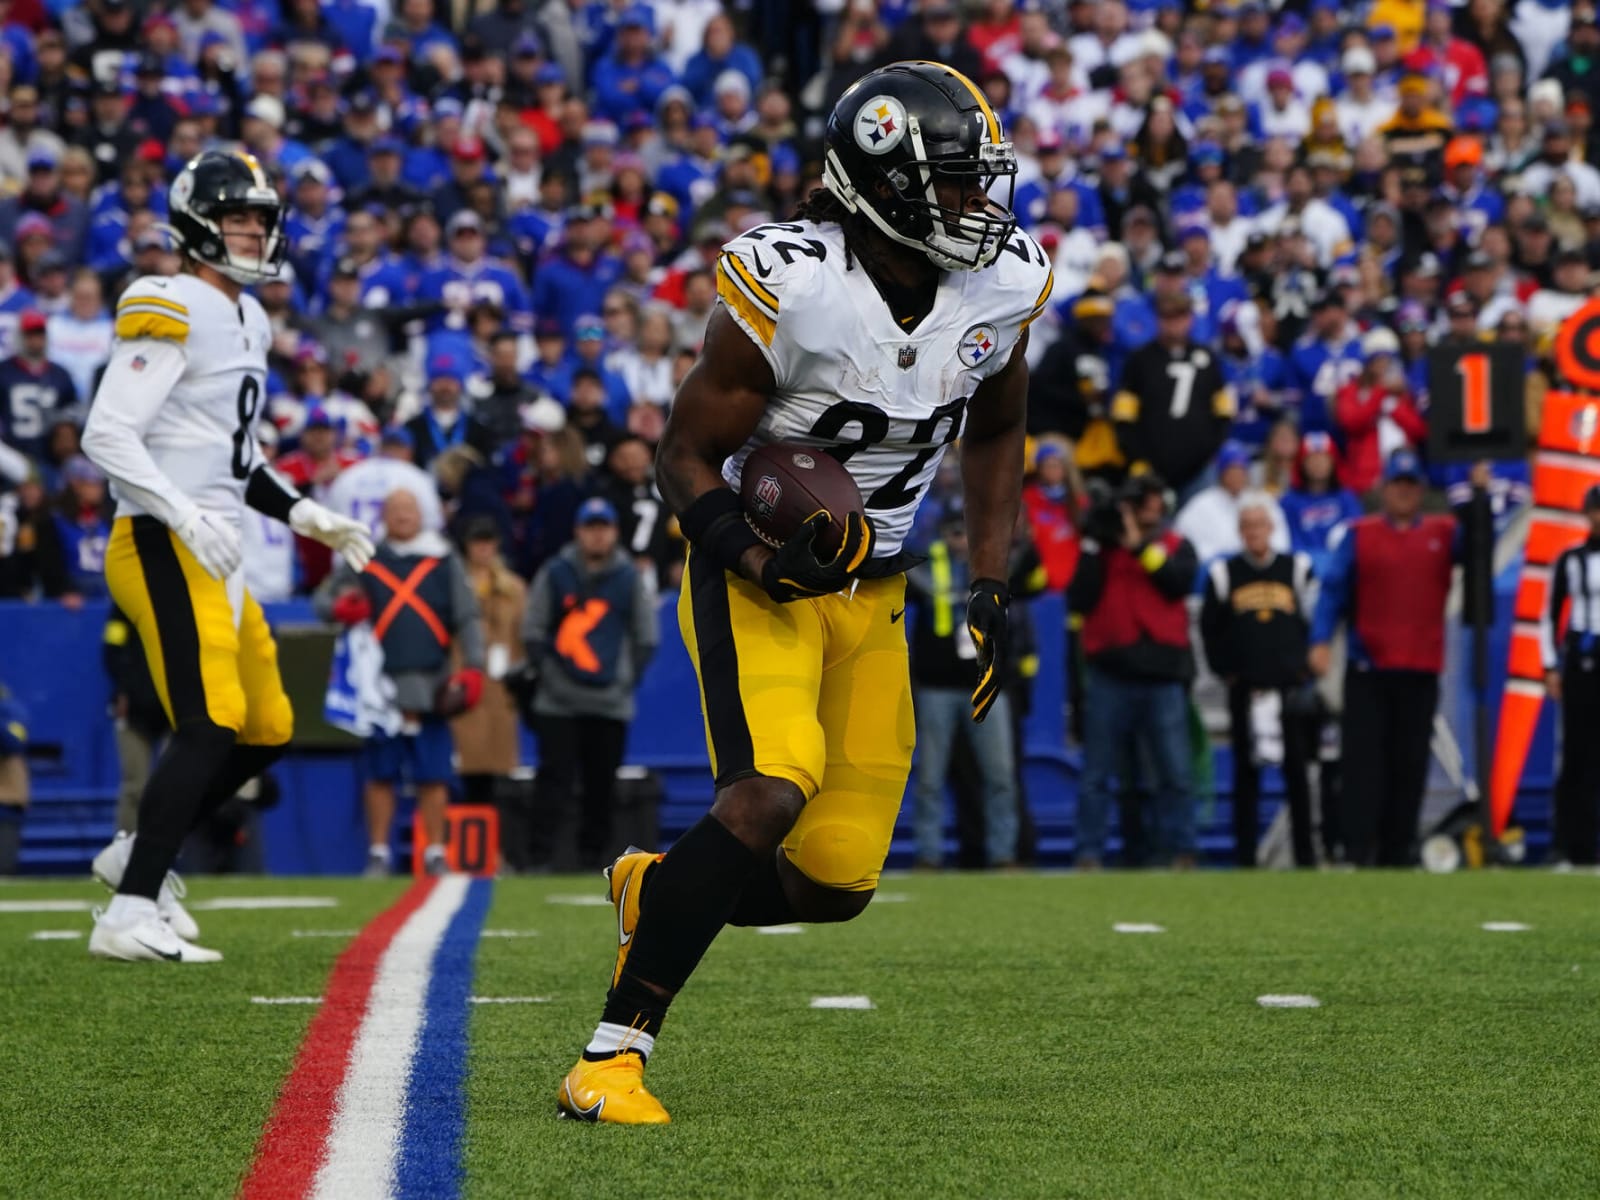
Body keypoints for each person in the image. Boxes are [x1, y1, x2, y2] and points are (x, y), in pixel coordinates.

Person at [555, 62, 1045, 1124]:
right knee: (770, 788)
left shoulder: (1001, 282)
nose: (977, 204)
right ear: (879, 187)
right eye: (951, 185)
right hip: (758, 580)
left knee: (836, 885)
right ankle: (610, 1056)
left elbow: (998, 423)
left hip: (878, 595)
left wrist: (995, 573)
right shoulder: (793, 282)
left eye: (977, 181)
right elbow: (682, 454)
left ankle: (657, 888)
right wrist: (758, 559)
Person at [80, 151, 373, 963]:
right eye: (236, 214)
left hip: (218, 542)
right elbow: (105, 433)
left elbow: (236, 456)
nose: (252, 229)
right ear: (195, 221)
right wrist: (177, 509)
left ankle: (134, 855)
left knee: (270, 728)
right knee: (208, 724)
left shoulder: (251, 317)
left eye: (260, 218)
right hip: (160, 534)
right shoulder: (168, 298)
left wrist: (307, 511)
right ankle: (130, 908)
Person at [1309, 450, 1486, 866]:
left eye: (1411, 485)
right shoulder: (1360, 534)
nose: (1404, 492)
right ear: (1384, 488)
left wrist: (1477, 494)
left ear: (1421, 491)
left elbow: (1479, 545)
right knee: (1363, 764)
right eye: (1398, 484)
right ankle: (1356, 849)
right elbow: (1333, 591)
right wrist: (1319, 640)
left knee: (1410, 766)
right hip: (1368, 666)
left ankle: (1398, 849)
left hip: (1420, 667)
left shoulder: (1444, 533)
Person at [318, 489, 485, 877]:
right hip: (379, 689)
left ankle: (436, 853)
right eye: (395, 510)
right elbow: (323, 601)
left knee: (434, 774)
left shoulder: (443, 560)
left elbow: (467, 617)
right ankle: (379, 852)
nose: (403, 517)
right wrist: (340, 606)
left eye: (409, 510)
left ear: (421, 514)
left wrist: (473, 667)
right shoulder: (366, 558)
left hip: (432, 685)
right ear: (385, 517)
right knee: (379, 774)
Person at [1067, 474, 1199, 868]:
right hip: (1111, 673)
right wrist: (1092, 540)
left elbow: (1176, 583)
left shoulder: (1176, 545)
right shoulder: (1101, 552)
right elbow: (1079, 600)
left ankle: (1181, 850)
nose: (1145, 508)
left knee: (1174, 773)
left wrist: (1138, 546)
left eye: (1150, 500)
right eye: (1139, 501)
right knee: (1096, 776)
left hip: (1162, 675)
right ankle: (1089, 853)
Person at [522, 498, 658, 871]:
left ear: (614, 532)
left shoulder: (629, 576)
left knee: (602, 786)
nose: (597, 535)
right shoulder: (555, 572)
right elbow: (533, 632)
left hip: (609, 700)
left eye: (604, 527)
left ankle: (592, 859)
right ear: (578, 532)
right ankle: (539, 858)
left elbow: (646, 636)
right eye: (591, 527)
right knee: (553, 781)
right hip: (557, 701)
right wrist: (551, 677)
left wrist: (625, 680)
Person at [1201, 497, 1318, 867]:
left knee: (1298, 774)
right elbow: (1209, 631)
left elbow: (1316, 620)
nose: (1254, 532)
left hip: (1290, 690)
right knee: (1245, 775)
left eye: (1260, 524)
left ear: (1271, 528)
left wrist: (1304, 668)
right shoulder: (1223, 574)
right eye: (1247, 526)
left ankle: (1306, 856)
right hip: (1246, 689)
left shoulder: (1296, 569)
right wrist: (1228, 671)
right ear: (1240, 531)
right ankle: (1246, 858)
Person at [905, 498, 1019, 869]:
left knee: (999, 776)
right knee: (931, 779)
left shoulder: (989, 566)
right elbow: (903, 573)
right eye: (953, 532)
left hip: (983, 684)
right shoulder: (929, 565)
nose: (959, 540)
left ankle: (1003, 855)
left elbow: (1029, 569)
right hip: (938, 687)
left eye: (964, 532)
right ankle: (929, 856)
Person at [1112, 289, 1236, 499]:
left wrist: (1209, 452)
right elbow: (1123, 417)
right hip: (1151, 468)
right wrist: (1139, 458)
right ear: (1157, 319)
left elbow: (1224, 412)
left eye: (1180, 316)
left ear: (1190, 319)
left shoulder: (1208, 358)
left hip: (1200, 469)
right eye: (1167, 317)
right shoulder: (1140, 360)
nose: (1174, 324)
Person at [450, 516, 528, 810]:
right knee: (466, 765)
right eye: (477, 542)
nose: (483, 549)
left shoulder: (513, 589)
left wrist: (519, 673)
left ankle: (495, 844)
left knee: (499, 770)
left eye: (488, 542)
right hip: (463, 685)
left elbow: (522, 634)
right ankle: (470, 841)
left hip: (500, 687)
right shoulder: (455, 585)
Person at [1541, 484, 1600, 866]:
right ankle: (1568, 846)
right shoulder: (1570, 560)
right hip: (1582, 661)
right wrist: (1549, 666)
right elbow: (1548, 616)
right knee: (1577, 755)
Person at [1175, 440, 1291, 567]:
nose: (1236, 475)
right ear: (1221, 473)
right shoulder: (1200, 505)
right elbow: (1183, 543)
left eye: (1240, 470)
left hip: (1260, 569)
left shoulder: (1263, 501)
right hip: (1217, 572)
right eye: (1231, 470)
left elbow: (1281, 543)